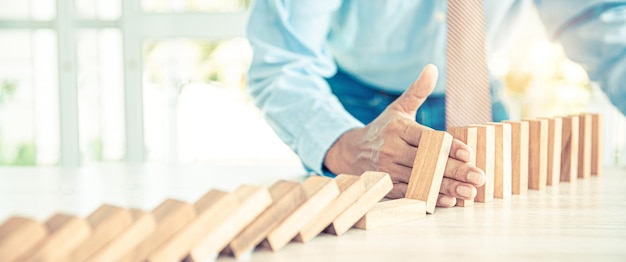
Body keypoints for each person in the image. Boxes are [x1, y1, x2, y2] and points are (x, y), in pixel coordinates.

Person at [245, 1, 626, 207]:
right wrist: (345, 144)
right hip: (358, 116)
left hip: (479, 101)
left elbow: (603, 30)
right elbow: (282, 61)